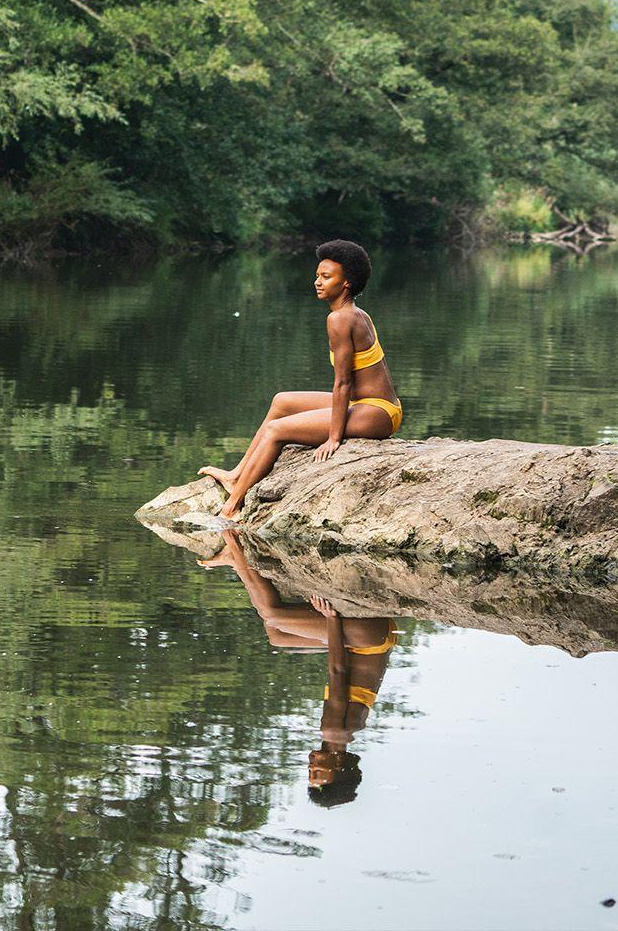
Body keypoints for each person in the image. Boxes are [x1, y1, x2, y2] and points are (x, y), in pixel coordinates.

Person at [198, 239, 402, 521]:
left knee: (277, 430)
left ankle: (232, 507)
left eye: (326, 277)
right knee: (282, 402)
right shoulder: (354, 312)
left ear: (346, 283)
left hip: (378, 412)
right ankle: (236, 475)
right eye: (318, 275)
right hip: (366, 403)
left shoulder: (341, 319)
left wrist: (334, 437)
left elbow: (342, 383)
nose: (317, 282)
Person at [197, 537, 394, 809]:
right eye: (318, 773)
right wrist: (331, 622)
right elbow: (337, 671)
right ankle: (236, 550)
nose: (310, 767)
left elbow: (346, 670)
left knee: (277, 636)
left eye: (309, 774)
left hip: (372, 643)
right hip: (365, 640)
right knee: (273, 616)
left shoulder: (348, 733)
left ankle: (240, 564)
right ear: (339, 765)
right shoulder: (334, 731)